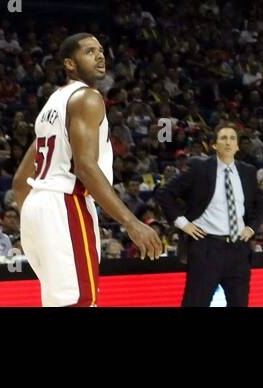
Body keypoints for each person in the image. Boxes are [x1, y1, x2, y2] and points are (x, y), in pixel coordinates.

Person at [13, 33, 163, 307]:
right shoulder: (88, 98)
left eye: (101, 50)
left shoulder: (52, 104)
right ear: (70, 63)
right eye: (90, 51)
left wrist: (39, 218)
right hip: (66, 201)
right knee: (80, 302)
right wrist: (131, 223)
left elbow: (20, 182)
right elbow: (85, 166)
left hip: (38, 205)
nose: (100, 56)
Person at [154, 122, 263, 307]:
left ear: (237, 145)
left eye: (232, 139)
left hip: (239, 250)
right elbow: (165, 193)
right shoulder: (199, 167)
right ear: (214, 145)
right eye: (223, 138)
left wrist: (252, 227)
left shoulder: (248, 171)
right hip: (207, 247)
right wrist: (183, 223)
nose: (228, 142)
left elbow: (260, 203)